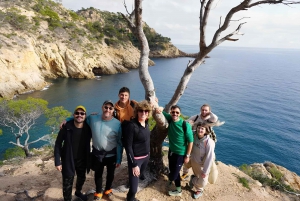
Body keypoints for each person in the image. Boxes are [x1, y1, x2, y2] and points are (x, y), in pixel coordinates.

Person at [54, 105, 92, 201]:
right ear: (73, 115)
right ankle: (67, 199)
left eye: (82, 113)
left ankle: (78, 192)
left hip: (82, 160)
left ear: (85, 115)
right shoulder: (66, 127)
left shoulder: (88, 128)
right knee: (67, 183)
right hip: (68, 159)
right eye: (77, 113)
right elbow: (58, 144)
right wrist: (57, 161)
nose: (79, 115)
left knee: (81, 178)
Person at [155, 105, 194, 197]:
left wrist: (187, 155)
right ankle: (178, 188)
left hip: (180, 153)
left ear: (180, 114)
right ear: (171, 113)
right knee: (172, 169)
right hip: (171, 151)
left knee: (174, 173)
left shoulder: (185, 125)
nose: (175, 114)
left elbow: (190, 141)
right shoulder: (170, 119)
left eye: (177, 112)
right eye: (173, 112)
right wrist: (159, 107)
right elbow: (159, 111)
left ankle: (172, 182)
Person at [88, 100, 123, 200]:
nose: (108, 109)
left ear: (113, 111)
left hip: (111, 155)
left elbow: (120, 143)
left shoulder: (117, 124)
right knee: (98, 174)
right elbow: (79, 118)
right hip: (97, 154)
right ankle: (98, 192)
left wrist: (119, 159)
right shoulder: (93, 118)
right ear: (102, 107)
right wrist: (67, 120)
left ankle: (108, 190)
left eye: (110, 108)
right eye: (106, 107)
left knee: (110, 174)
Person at [123, 100, 152, 201]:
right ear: (136, 112)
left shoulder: (146, 123)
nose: (143, 113)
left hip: (146, 157)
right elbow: (128, 146)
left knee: (138, 178)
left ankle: (131, 184)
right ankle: (130, 198)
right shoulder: (132, 126)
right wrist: (134, 164)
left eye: (146, 111)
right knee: (134, 189)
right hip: (136, 160)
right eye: (141, 110)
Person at [185, 122, 216, 199]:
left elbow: (209, 158)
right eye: (199, 128)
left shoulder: (209, 142)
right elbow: (186, 131)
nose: (200, 130)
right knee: (197, 176)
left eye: (202, 128)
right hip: (193, 161)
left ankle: (193, 181)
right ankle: (199, 190)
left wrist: (205, 171)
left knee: (203, 182)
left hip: (202, 165)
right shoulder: (194, 136)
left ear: (206, 131)